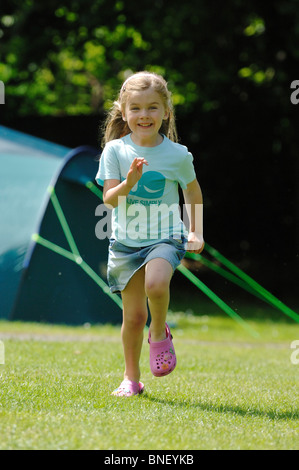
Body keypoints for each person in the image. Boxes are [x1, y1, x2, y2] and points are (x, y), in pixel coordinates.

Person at [96, 71, 204, 397]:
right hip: (126, 243)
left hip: (166, 236)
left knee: (156, 284)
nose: (145, 115)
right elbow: (109, 199)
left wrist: (195, 231)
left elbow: (193, 192)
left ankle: (159, 333)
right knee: (132, 318)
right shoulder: (115, 151)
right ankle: (131, 379)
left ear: (166, 112)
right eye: (137, 108)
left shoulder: (178, 155)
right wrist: (128, 183)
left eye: (153, 108)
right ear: (125, 112)